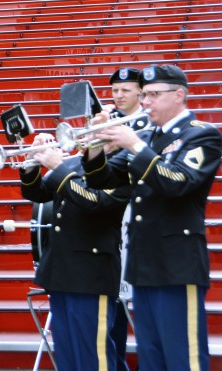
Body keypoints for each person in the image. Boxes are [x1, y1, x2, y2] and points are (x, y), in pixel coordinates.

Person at [83, 64, 222, 370]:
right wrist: (95, 143)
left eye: (154, 95)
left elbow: (177, 182)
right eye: (144, 95)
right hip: (143, 263)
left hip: (176, 263)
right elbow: (102, 179)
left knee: (183, 356)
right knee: (151, 356)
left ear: (179, 95)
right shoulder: (147, 136)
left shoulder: (201, 135)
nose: (145, 102)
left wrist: (134, 144)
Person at [19, 128, 130, 370]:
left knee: (93, 354)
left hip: (92, 273)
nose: (94, 137)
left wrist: (58, 166)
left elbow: (94, 202)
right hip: (61, 270)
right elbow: (37, 192)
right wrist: (32, 161)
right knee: (67, 354)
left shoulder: (122, 169)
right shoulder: (75, 163)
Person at [107, 67, 150, 371]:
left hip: (135, 216)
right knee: (111, 298)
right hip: (105, 217)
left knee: (128, 298)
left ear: (140, 92)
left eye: (126, 90)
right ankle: (114, 361)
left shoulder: (149, 126)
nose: (119, 96)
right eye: (114, 91)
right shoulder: (107, 122)